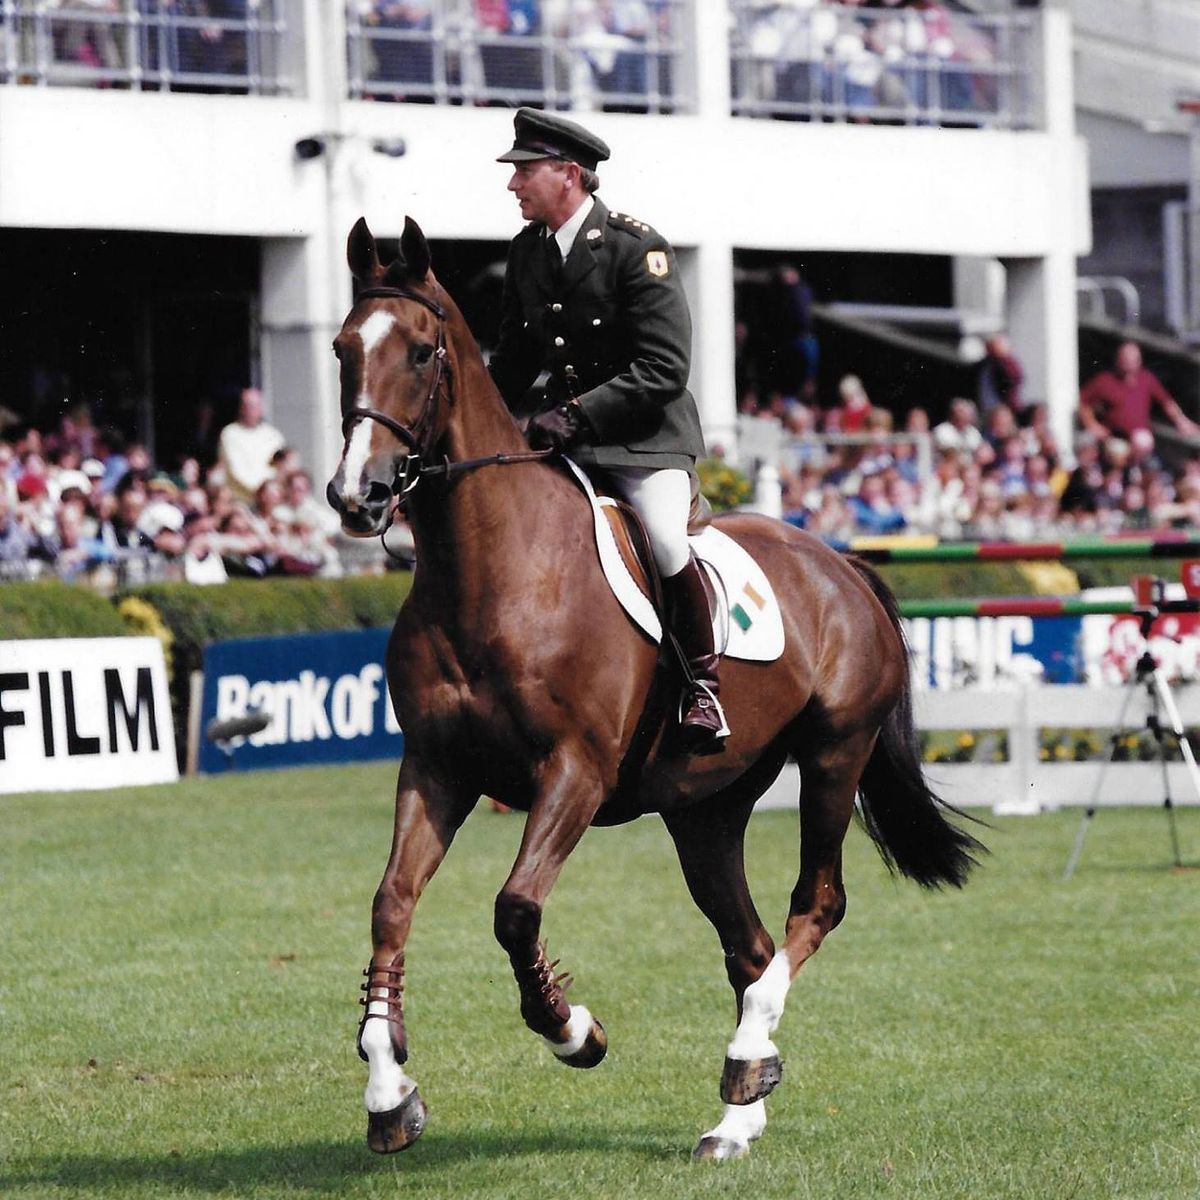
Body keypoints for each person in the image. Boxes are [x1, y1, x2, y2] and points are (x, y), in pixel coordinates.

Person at [488, 106, 726, 754]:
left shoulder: (633, 247)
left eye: (524, 172)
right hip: (563, 441)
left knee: (664, 540)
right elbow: (513, 361)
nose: (514, 184)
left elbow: (664, 367)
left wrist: (576, 413)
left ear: (568, 175)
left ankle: (702, 687)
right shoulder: (527, 252)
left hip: (643, 440)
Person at [1078, 341, 1200, 445]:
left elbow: (1166, 402)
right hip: (1110, 436)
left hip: (1137, 438)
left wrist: (1182, 421)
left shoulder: (1146, 379)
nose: (1129, 363)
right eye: (1126, 359)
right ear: (1118, 359)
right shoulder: (1104, 380)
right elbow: (1082, 403)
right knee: (1085, 441)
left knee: (1143, 442)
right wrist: (1092, 424)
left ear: (1139, 361)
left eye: (1133, 360)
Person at [216, 387, 286, 503]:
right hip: (241, 501)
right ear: (241, 408)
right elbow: (237, 471)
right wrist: (262, 491)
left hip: (271, 500)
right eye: (247, 405)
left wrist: (270, 491)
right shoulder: (230, 434)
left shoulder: (273, 435)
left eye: (255, 405)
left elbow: (280, 466)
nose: (251, 409)